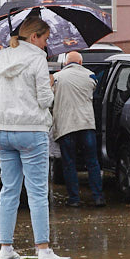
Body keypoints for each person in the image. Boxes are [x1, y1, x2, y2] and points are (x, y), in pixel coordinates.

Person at [0, 10, 64, 259]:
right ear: (35, 37)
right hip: (31, 132)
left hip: (3, 132)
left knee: (9, 191)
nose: (47, 44)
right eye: (46, 39)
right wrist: (50, 86)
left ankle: (6, 248)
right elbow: (44, 100)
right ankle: (43, 250)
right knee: (37, 193)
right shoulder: (38, 60)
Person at [53, 51, 105, 208]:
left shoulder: (57, 77)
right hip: (86, 124)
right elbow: (93, 91)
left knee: (69, 163)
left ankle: (74, 199)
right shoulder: (90, 76)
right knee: (92, 162)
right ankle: (98, 197)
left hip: (66, 126)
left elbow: (50, 97)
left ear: (66, 63)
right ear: (81, 63)